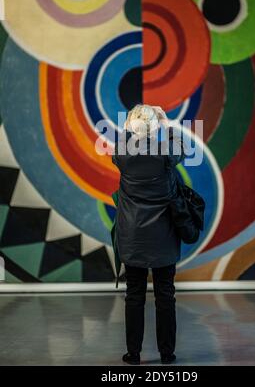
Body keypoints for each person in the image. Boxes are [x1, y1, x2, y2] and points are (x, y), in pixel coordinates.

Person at [112, 104, 186, 365]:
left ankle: (133, 354)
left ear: (131, 127)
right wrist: (165, 124)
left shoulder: (122, 155)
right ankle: (167, 354)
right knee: (165, 293)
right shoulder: (165, 155)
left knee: (134, 294)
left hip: (132, 236)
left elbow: (123, 141)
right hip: (163, 235)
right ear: (155, 128)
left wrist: (130, 125)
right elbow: (181, 149)